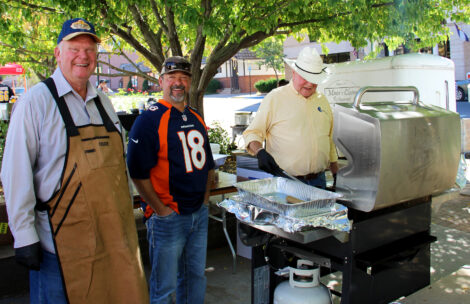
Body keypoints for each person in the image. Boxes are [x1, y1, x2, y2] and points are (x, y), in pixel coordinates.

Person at [1, 18, 148, 304]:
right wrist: (23, 235)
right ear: (58, 52)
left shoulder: (103, 103)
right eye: (74, 48)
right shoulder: (36, 102)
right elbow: (15, 173)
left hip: (114, 242)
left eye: (90, 49)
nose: (83, 56)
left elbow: (117, 167)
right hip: (59, 248)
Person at [126, 56, 215, 304]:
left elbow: (207, 164)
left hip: (198, 213)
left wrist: (205, 200)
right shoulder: (149, 120)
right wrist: (160, 209)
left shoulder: (195, 117)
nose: (178, 83)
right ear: (161, 81)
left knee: (195, 277)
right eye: (172, 77)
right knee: (163, 288)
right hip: (168, 218)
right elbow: (136, 172)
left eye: (184, 77)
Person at [243, 47, 338, 189]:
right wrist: (260, 152)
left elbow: (328, 139)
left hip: (319, 182)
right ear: (294, 72)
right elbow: (252, 133)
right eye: (305, 77)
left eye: (314, 79)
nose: (310, 84)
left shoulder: (322, 100)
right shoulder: (275, 98)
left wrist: (336, 171)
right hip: (286, 182)